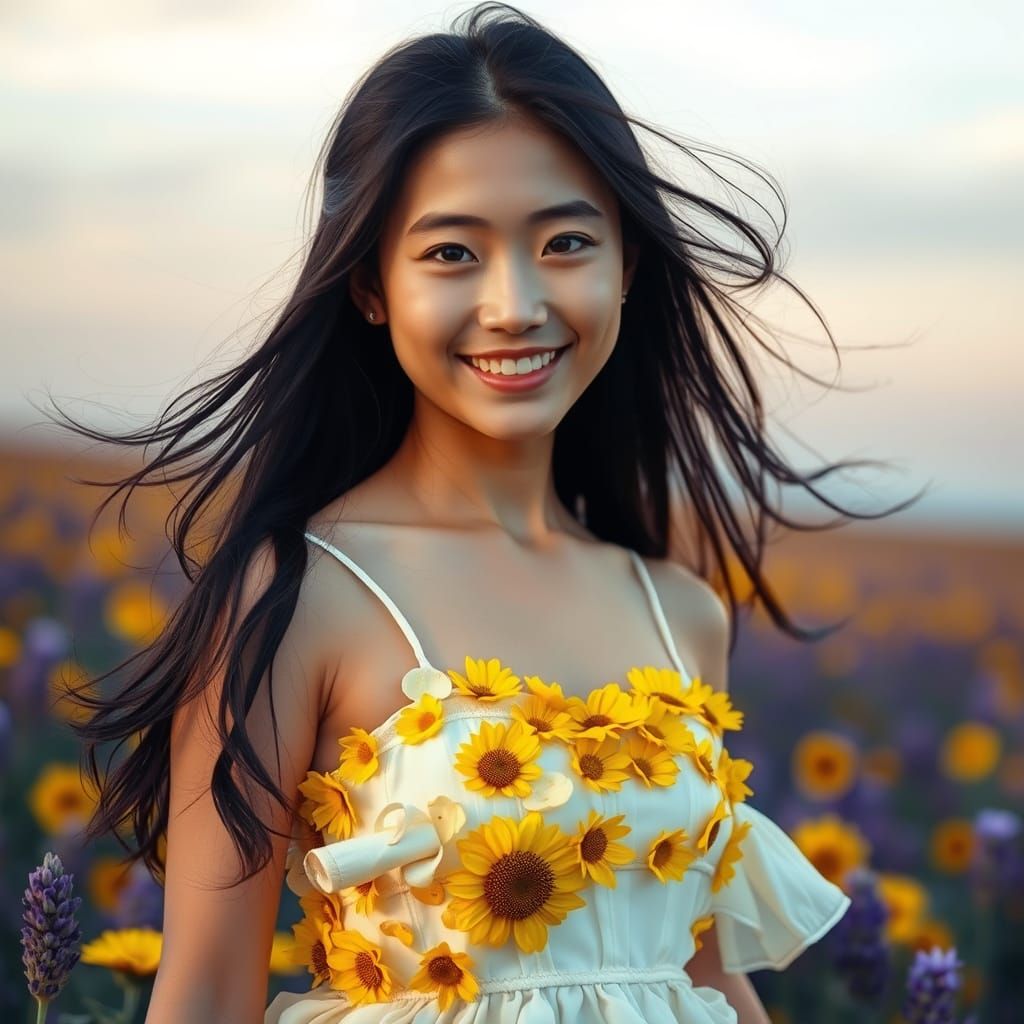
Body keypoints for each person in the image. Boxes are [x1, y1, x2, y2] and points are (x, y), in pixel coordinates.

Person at [52, 3, 923, 1022]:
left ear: (625, 264)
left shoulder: (679, 610)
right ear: (371, 285)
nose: (514, 303)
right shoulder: (294, 595)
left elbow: (696, 977)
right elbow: (202, 991)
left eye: (563, 241)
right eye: (452, 252)